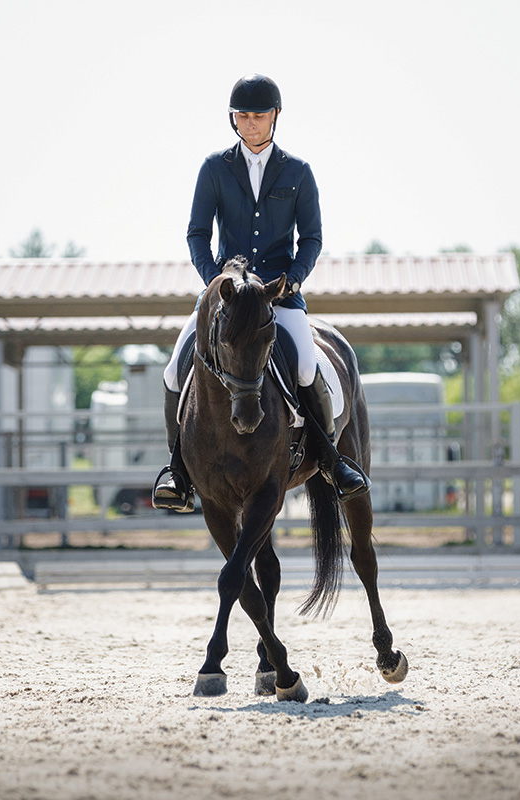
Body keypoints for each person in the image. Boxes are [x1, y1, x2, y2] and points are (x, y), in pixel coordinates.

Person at [152, 73, 370, 512]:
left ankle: (330, 458)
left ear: (274, 117)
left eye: (259, 115)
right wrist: (215, 280)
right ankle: (178, 470)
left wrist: (293, 278)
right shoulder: (214, 168)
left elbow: (311, 238)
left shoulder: (298, 172)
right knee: (175, 369)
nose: (251, 123)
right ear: (234, 120)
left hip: (278, 295)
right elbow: (197, 233)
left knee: (308, 367)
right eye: (243, 116)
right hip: (225, 298)